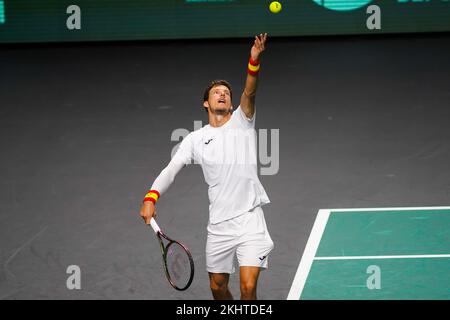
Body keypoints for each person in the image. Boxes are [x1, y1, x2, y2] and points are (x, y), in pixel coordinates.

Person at [140, 33, 274, 300]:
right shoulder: (194, 139)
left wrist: (254, 60)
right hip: (219, 225)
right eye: (216, 93)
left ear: (232, 103)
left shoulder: (242, 120)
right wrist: (150, 197)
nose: (222, 95)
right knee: (217, 288)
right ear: (206, 103)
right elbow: (171, 169)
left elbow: (250, 90)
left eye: (226, 93)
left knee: (248, 288)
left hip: (250, 220)